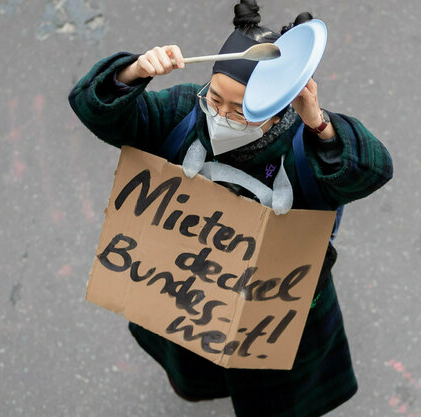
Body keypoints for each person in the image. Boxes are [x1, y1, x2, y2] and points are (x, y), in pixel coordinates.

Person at [68, 1, 393, 416]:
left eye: (239, 111)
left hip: (274, 313)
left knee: (276, 395)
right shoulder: (185, 112)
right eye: (216, 98)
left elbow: (371, 170)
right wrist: (134, 73)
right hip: (187, 293)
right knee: (198, 366)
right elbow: (95, 109)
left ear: (276, 112)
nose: (220, 115)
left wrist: (319, 124)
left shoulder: (304, 146)